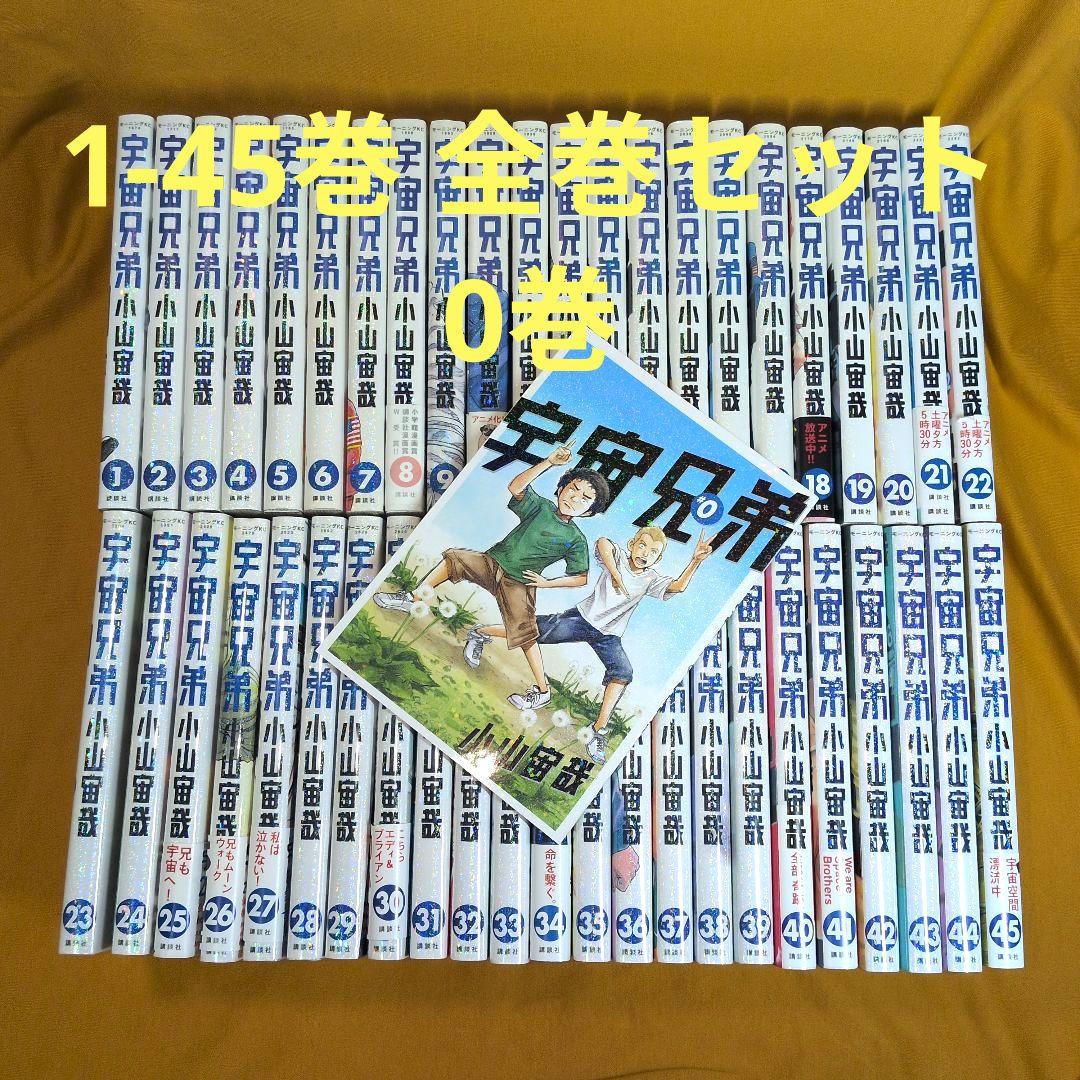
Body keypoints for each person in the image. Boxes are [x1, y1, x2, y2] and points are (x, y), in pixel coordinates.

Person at [374, 441, 610, 711]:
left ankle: (542, 691)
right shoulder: (541, 507)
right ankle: (413, 599)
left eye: (584, 499)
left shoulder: (575, 539)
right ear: (561, 488)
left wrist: (547, 583)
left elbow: (580, 577)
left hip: (519, 583)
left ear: (589, 512)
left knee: (526, 635)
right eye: (573, 489)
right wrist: (549, 462)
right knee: (455, 558)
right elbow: (516, 487)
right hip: (492, 562)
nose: (574, 498)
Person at [472, 525, 717, 763]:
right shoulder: (619, 557)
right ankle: (480, 632)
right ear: (632, 544)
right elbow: (602, 543)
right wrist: (616, 574)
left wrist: (695, 560)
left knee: (622, 672)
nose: (645, 554)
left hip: (608, 635)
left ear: (658, 559)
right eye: (642, 546)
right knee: (531, 630)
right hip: (581, 619)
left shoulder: (651, 578)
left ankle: (597, 730)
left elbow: (678, 587)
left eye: (653, 552)